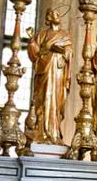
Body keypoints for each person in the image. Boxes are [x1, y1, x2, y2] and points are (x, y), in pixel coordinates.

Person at [24, 8, 73, 145]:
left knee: (55, 101)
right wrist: (31, 40)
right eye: (53, 14)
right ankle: (40, 133)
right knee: (42, 99)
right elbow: (35, 54)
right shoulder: (42, 34)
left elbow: (69, 53)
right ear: (48, 18)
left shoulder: (65, 35)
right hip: (44, 72)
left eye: (58, 14)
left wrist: (63, 51)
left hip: (58, 72)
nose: (56, 16)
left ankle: (54, 133)